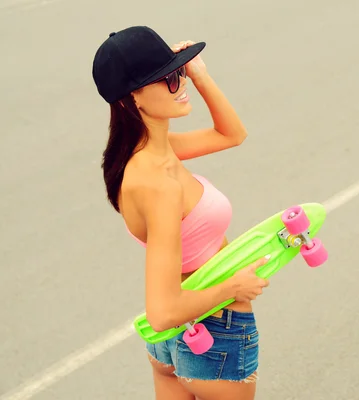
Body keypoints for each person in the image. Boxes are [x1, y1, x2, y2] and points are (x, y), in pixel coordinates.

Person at [92, 25, 270, 400]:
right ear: (133, 98)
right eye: (168, 79)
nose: (180, 82)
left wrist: (200, 74)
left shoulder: (148, 153)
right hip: (214, 334)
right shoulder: (158, 183)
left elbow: (231, 134)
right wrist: (234, 287)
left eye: (178, 71)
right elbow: (162, 310)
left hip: (174, 344)